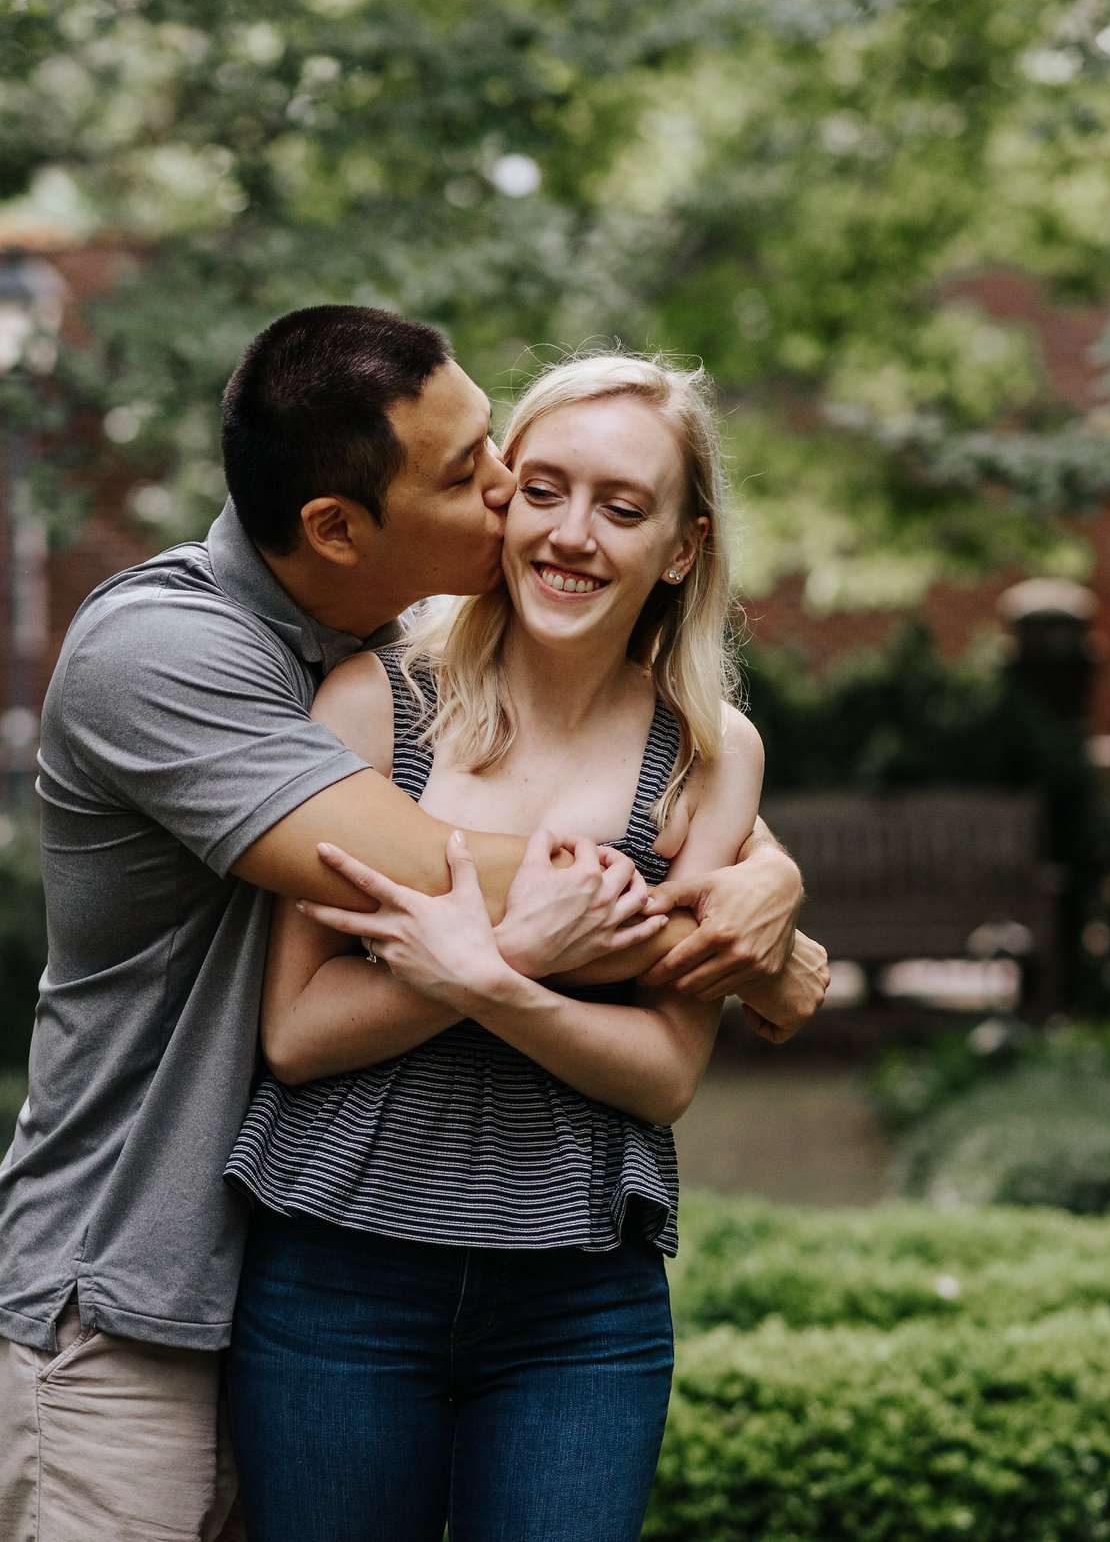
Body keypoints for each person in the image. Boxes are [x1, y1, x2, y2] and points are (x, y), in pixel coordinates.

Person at [0, 307, 828, 1542]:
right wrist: (744, 936)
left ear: (685, 546)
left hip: (275, 1263)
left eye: (497, 453)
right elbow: (450, 878)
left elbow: (605, 911)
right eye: (489, 474)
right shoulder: (170, 654)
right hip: (131, 1286)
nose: (512, 503)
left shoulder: (355, 638)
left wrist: (765, 876)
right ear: (337, 527)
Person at [221, 351, 752, 1542]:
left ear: (681, 546)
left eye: (622, 508)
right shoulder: (375, 702)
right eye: (544, 487)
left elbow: (665, 1071)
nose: (570, 535)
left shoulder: (711, 755)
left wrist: (482, 973)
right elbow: (296, 1034)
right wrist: (532, 946)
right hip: (338, 1279)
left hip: (579, 1304)